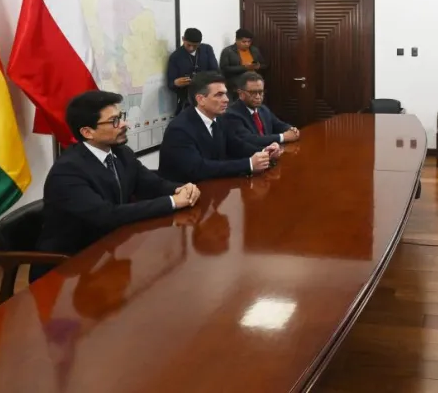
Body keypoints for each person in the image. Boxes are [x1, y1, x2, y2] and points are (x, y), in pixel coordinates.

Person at [32, 90, 200, 282]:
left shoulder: (121, 153)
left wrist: (181, 189)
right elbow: (107, 215)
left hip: (112, 250)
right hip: (70, 269)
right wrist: (172, 202)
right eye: (114, 121)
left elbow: (152, 184)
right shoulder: (67, 171)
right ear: (87, 132)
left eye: (121, 117)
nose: (124, 124)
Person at [160, 72, 277, 183]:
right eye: (219, 95)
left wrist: (264, 152)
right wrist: (249, 164)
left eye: (225, 94)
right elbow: (198, 168)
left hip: (214, 188)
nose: (226, 99)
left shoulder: (220, 119)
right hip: (185, 193)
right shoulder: (179, 129)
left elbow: (235, 145)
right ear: (201, 99)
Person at [225, 71, 300, 148]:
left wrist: (291, 129)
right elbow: (249, 139)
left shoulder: (263, 109)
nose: (258, 96)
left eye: (260, 92)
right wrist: (283, 137)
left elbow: (278, 124)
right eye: (253, 92)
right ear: (241, 94)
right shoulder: (232, 114)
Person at [167, 28, 219, 112]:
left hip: (207, 94)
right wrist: (176, 83)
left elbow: (215, 72)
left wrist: (198, 79)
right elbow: (170, 83)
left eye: (195, 46)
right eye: (188, 45)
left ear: (200, 43)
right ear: (183, 39)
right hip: (187, 98)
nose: (191, 48)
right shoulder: (175, 57)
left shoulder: (207, 50)